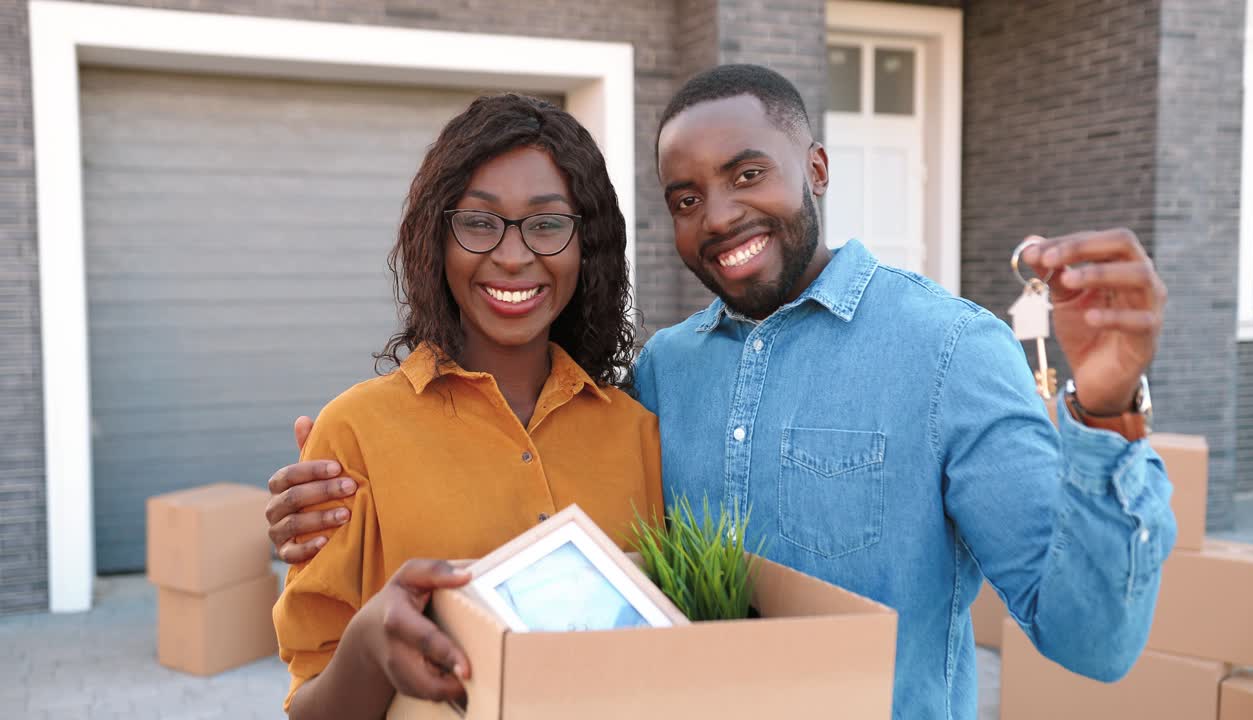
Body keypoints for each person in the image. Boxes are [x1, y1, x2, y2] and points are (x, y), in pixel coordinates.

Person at [267, 65, 1174, 720]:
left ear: (815, 168)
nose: (722, 215)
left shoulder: (950, 351)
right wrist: (336, 482)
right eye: (686, 196)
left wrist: (1104, 410)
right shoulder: (664, 375)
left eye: (748, 173)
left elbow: (1089, 644)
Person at [269, 93, 663, 719]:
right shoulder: (353, 435)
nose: (512, 255)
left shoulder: (639, 435)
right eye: (479, 222)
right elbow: (311, 706)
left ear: (587, 245)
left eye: (547, 223)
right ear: (437, 238)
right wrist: (371, 646)